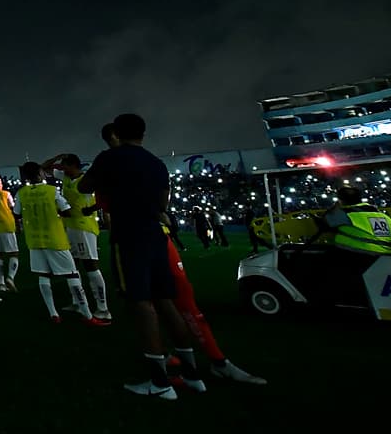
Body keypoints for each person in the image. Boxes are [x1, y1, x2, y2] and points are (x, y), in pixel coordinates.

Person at [80, 115, 204, 399]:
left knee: (141, 303)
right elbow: (163, 203)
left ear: (116, 133)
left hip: (129, 235)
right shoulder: (156, 163)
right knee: (165, 301)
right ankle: (192, 374)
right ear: (143, 133)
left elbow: (83, 187)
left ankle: (159, 382)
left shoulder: (109, 158)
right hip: (155, 234)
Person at [156, 214, 267, 385]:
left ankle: (210, 364)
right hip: (148, 235)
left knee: (164, 302)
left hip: (149, 238)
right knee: (155, 303)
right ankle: (174, 360)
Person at [12, 161, 102, 324]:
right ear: (40, 173)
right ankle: (87, 314)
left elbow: (17, 214)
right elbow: (66, 211)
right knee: (72, 273)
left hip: (34, 240)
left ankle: (54, 313)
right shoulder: (51, 191)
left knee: (43, 275)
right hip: (55, 238)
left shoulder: (21, 193)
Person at [43, 153, 111, 320]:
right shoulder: (66, 177)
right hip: (69, 227)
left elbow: (107, 195)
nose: (62, 169)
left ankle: (103, 308)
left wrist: (92, 208)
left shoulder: (87, 180)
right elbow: (44, 167)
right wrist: (58, 157)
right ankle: (78, 302)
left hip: (84, 228)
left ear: (73, 165)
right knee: (72, 265)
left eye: (64, 165)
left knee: (90, 265)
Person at [315, 186, 391, 255]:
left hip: (361, 253)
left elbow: (323, 224)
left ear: (340, 200)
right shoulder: (383, 215)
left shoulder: (347, 213)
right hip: (386, 252)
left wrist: (335, 207)